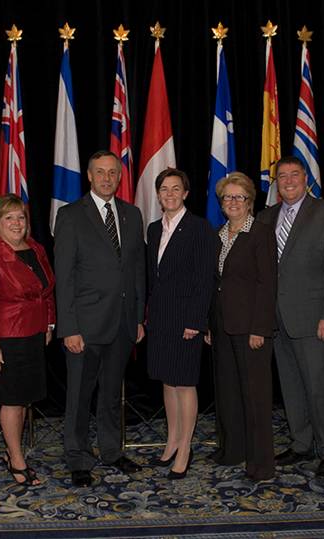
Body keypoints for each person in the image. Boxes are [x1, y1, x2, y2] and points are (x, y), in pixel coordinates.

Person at [54, 150, 146, 487]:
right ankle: (77, 457)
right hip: (85, 325)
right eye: (100, 172)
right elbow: (63, 277)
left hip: (122, 323)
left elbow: (137, 271)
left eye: (113, 173)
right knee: (79, 395)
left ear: (119, 177)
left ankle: (111, 451)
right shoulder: (70, 215)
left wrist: (137, 319)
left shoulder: (132, 215)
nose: (107, 178)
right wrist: (69, 328)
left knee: (111, 394)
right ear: (89, 177)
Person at [256, 156, 324, 482]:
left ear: (306, 178)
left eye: (294, 174)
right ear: (276, 183)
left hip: (314, 320)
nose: (288, 180)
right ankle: (301, 443)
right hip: (277, 320)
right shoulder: (266, 218)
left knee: (318, 387)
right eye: (282, 176)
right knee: (292, 387)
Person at [0, 194, 55, 485]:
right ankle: (17, 460)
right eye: (9, 218)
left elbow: (46, 291)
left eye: (20, 217)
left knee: (23, 400)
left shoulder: (36, 248)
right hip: (6, 337)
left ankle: (12, 451)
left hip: (33, 334)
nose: (16, 223)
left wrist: (49, 323)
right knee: (11, 399)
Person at [145, 168, 216, 479]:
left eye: (176, 189)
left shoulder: (200, 228)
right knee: (167, 381)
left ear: (186, 193)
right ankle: (172, 441)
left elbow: (205, 280)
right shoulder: (152, 230)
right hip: (160, 318)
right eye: (164, 189)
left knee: (185, 383)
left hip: (187, 319)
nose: (170, 194)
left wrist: (196, 321)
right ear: (158, 194)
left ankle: (186, 447)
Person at [207, 172, 277, 481]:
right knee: (228, 393)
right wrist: (209, 325)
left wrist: (260, 329)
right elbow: (215, 284)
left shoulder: (261, 233)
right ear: (221, 203)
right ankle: (232, 450)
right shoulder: (219, 234)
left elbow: (267, 285)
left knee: (255, 397)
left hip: (251, 329)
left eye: (239, 197)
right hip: (222, 328)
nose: (233, 202)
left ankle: (261, 462)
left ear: (250, 202)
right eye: (227, 197)